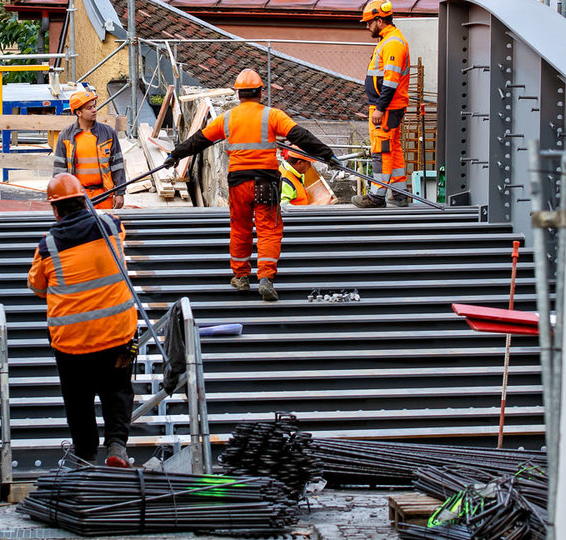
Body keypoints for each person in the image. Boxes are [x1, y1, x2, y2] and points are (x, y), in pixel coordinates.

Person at [165, 69, 340, 302]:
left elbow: (199, 140)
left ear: (238, 95)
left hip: (239, 182)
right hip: (266, 181)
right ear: (260, 92)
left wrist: (175, 155)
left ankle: (241, 277)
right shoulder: (272, 116)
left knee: (240, 227)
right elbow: (301, 136)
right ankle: (266, 277)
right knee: (269, 228)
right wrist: (327, 155)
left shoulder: (227, 118)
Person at [28, 173, 138, 467]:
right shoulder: (111, 225)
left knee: (78, 401)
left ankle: (86, 455)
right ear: (84, 199)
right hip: (118, 335)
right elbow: (118, 235)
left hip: (72, 344)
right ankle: (116, 447)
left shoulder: (48, 245)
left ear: (55, 209)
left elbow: (38, 287)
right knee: (118, 391)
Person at [355, 0, 411, 208]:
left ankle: (377, 195)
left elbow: (390, 81)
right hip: (389, 106)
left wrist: (380, 108)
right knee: (393, 148)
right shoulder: (388, 41)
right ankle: (399, 193)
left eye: (369, 22)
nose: (367, 26)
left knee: (382, 149)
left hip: (386, 108)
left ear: (379, 20)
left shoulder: (393, 43)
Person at [53, 88, 127, 210]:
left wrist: (120, 193)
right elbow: (59, 170)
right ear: (78, 113)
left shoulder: (108, 133)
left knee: (105, 226)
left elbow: (117, 165)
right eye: (89, 108)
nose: (94, 110)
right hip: (78, 196)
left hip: (104, 195)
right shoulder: (66, 136)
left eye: (94, 106)